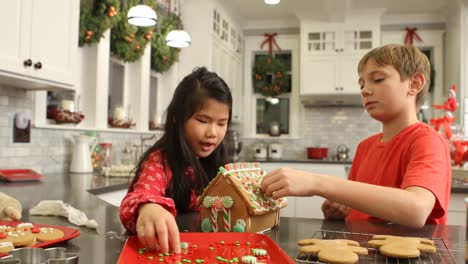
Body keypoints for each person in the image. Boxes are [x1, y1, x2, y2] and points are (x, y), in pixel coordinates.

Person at [260, 44, 451, 228]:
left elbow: (416, 210)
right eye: (361, 84)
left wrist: (316, 182)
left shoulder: (427, 141)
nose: (365, 90)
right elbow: (361, 208)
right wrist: (340, 213)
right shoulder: (365, 147)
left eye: (377, 79)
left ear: (414, 84)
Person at [120, 67, 232, 253]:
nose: (213, 133)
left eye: (221, 123)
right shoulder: (160, 161)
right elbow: (141, 194)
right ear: (176, 118)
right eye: (203, 121)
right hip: (167, 252)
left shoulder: (217, 164)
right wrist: (148, 207)